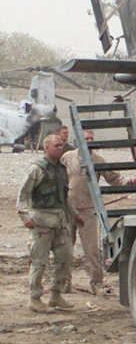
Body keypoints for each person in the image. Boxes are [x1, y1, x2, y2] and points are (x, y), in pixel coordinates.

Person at [60, 130, 136, 295]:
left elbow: (115, 180)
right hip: (68, 210)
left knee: (92, 250)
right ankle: (63, 283)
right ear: (79, 141)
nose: (89, 141)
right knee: (65, 248)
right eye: (86, 139)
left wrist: (130, 181)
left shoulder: (98, 160)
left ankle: (96, 283)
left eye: (91, 139)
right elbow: (57, 178)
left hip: (87, 212)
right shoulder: (67, 157)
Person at [18, 134, 80, 313]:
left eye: (61, 145)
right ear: (46, 148)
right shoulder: (37, 169)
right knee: (39, 261)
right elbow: (23, 195)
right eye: (56, 146)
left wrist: (75, 215)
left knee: (66, 258)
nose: (60, 148)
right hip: (42, 222)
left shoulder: (61, 169)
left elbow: (64, 197)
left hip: (60, 222)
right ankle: (35, 299)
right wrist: (24, 217)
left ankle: (56, 294)